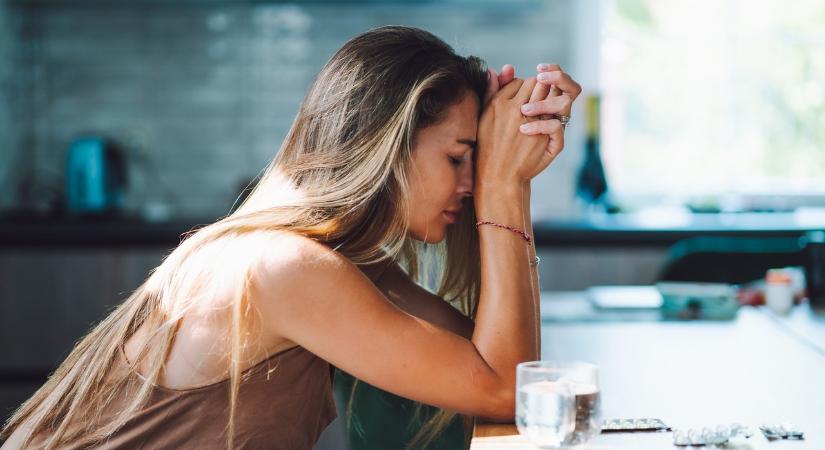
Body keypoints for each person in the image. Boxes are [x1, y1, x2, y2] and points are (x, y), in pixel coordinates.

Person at [0, 25, 580, 449]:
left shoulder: (338, 261)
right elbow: (507, 389)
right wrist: (506, 186)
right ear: (385, 146)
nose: (472, 183)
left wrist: (506, 169)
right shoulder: (285, 266)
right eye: (459, 157)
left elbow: (502, 368)